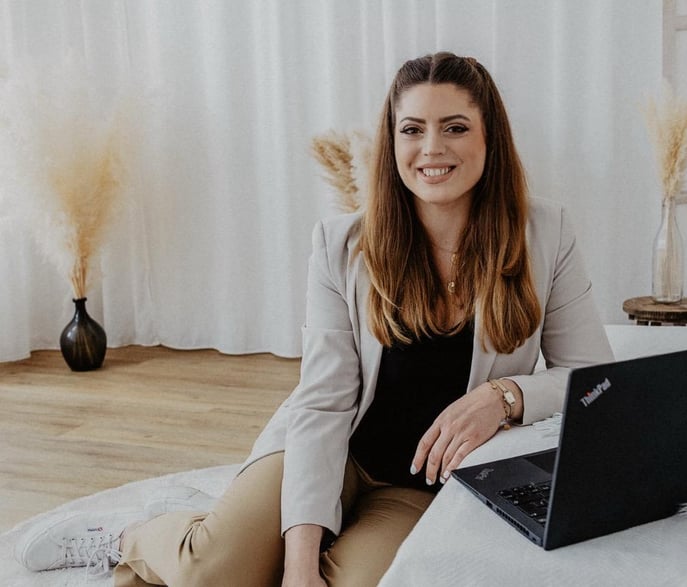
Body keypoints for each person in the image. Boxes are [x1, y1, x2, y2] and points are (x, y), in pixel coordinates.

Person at [15, 51, 614, 586]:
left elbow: (595, 381)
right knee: (209, 573)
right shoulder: (341, 244)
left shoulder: (545, 234)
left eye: (455, 127)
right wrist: (299, 559)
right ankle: (130, 536)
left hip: (416, 484)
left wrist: (505, 397)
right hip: (332, 449)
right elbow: (323, 403)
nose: (432, 148)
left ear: (490, 139)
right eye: (412, 129)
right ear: (393, 143)